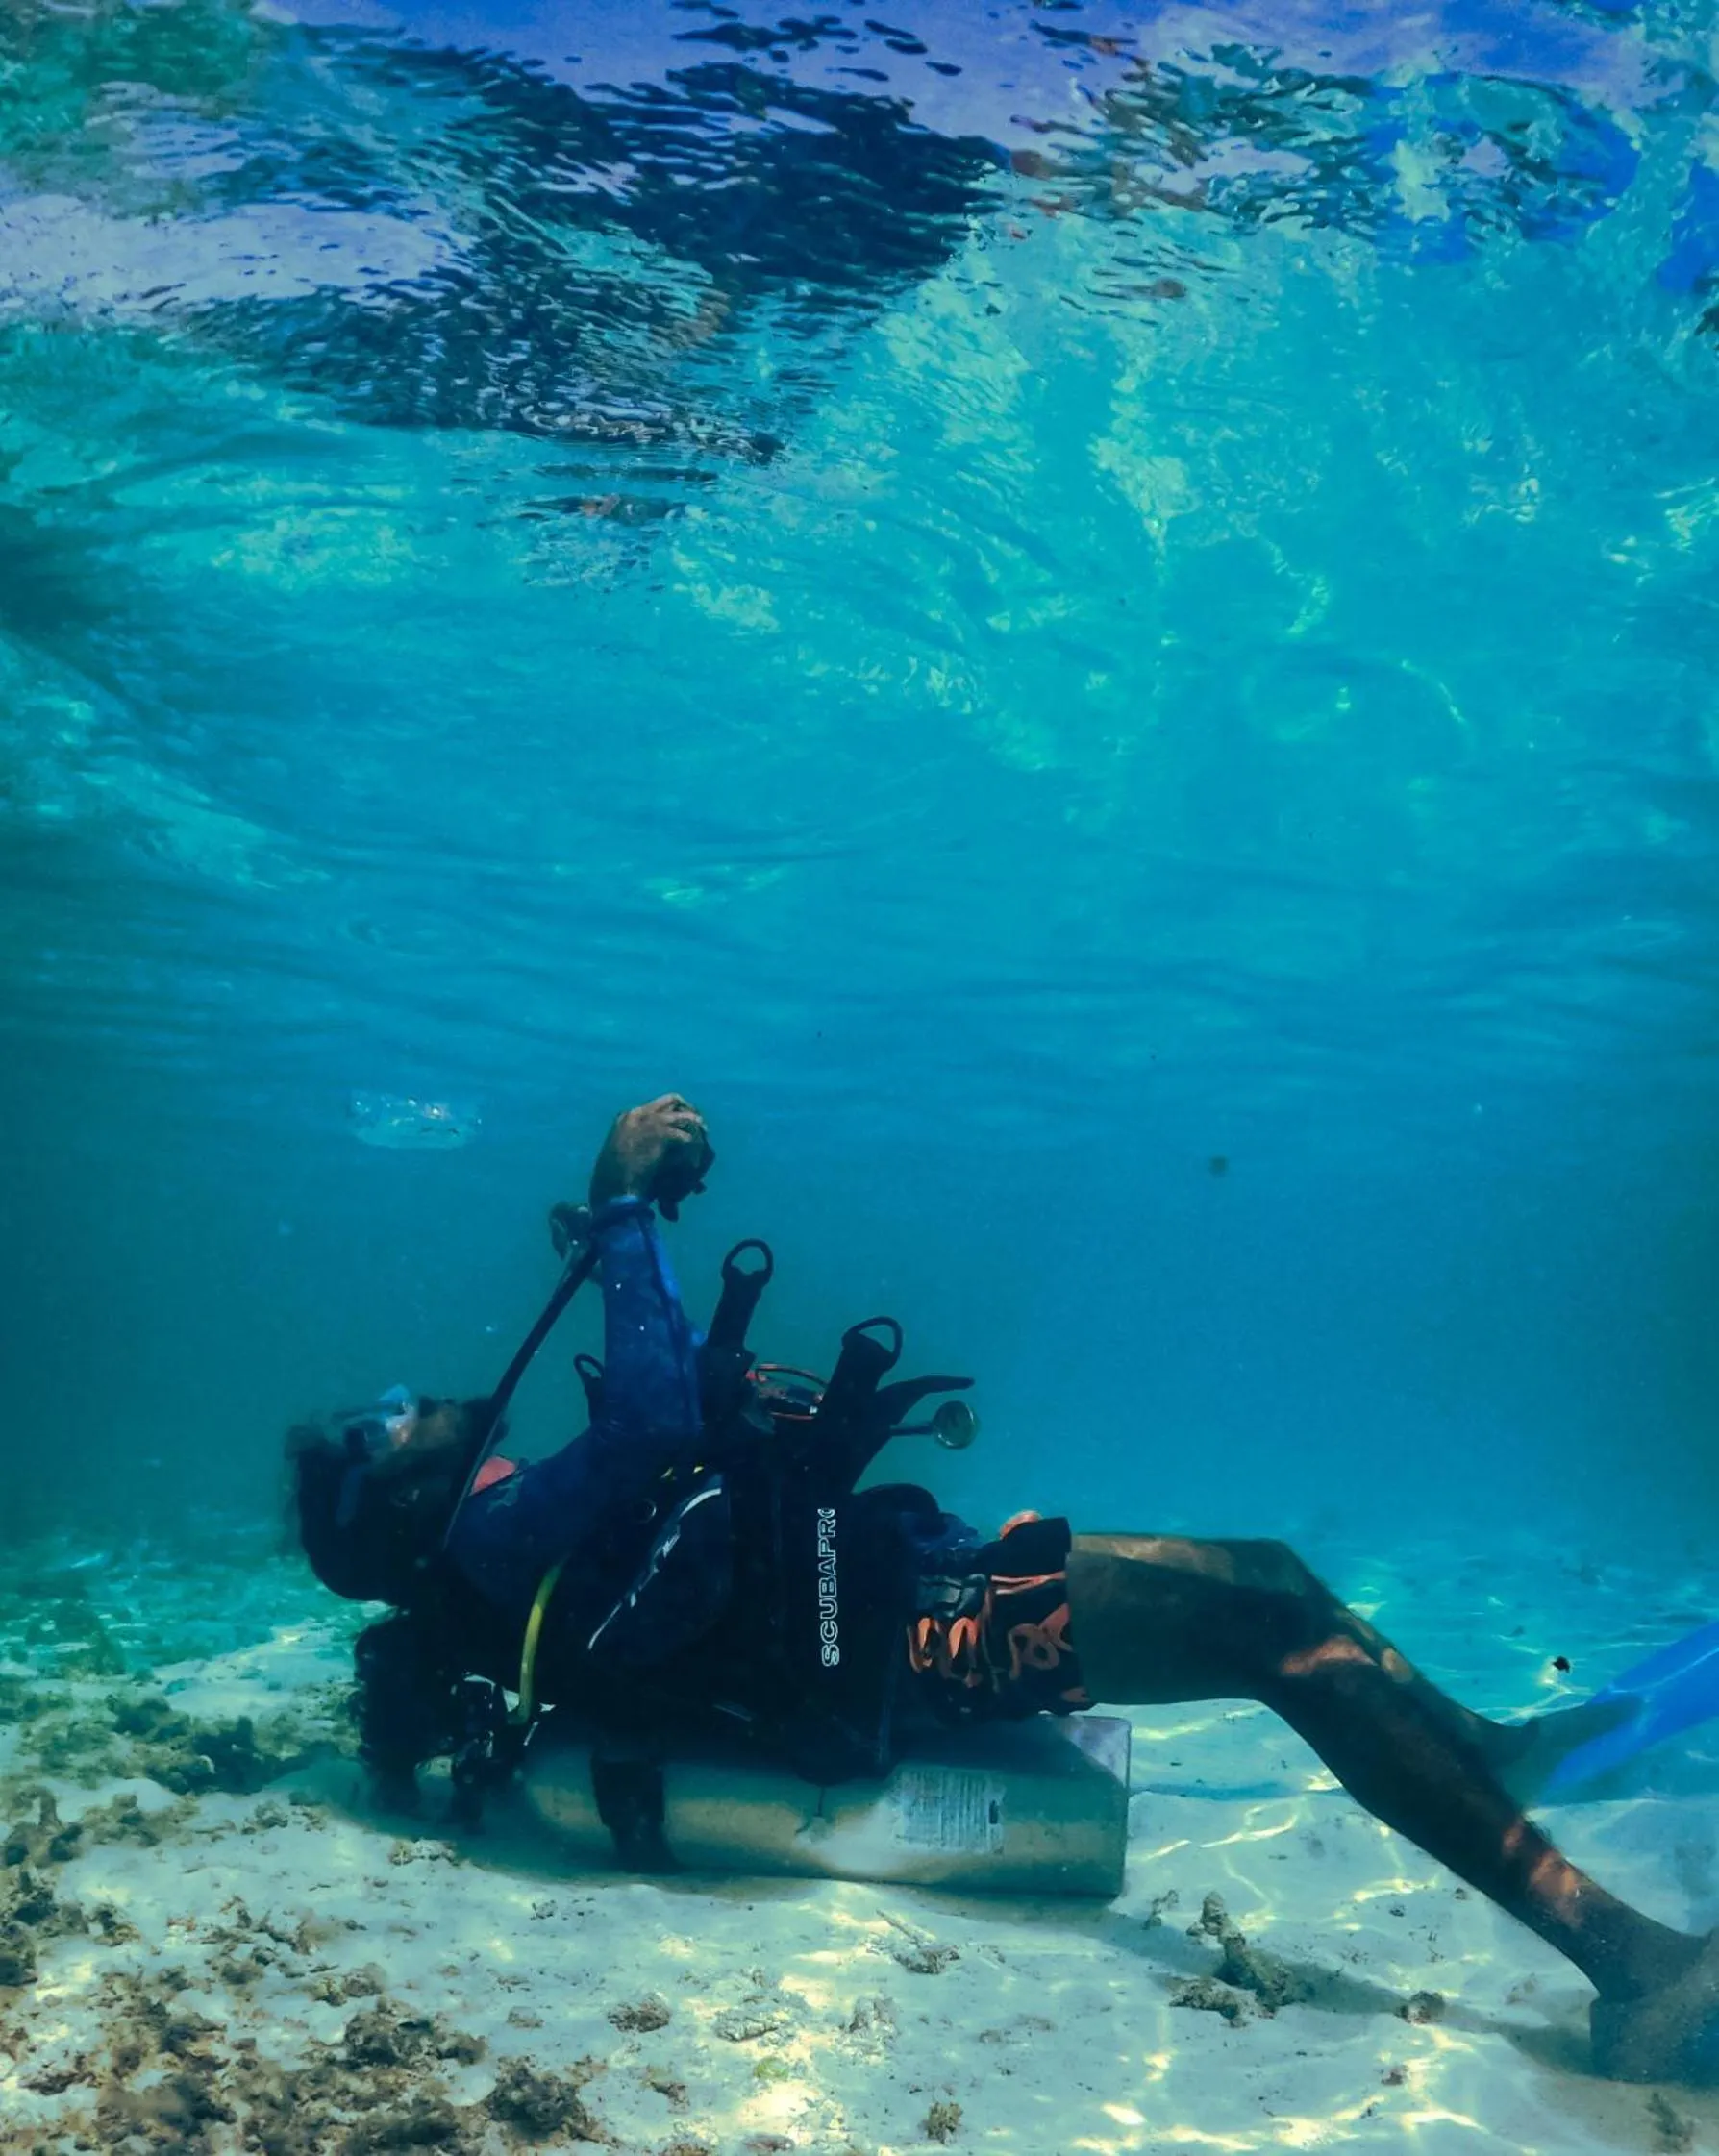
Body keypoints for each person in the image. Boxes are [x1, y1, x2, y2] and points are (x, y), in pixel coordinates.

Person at [290, 1093, 1719, 2087]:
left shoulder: (498, 1536)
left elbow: (676, 1455)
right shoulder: (484, 1546)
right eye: (379, 1422)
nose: (401, 1398)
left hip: (900, 1584)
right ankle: (1627, 1961)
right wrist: (616, 1205)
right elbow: (655, 1429)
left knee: (1270, 1580)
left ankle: (1490, 1744)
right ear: (393, 1507)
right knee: (1274, 1631)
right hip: (910, 1638)